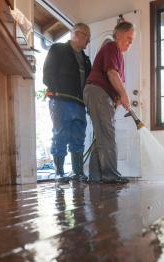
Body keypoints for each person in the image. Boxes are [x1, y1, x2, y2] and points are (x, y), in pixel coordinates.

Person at [83, 21, 135, 184]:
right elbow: (112, 74)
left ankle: (96, 177)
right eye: (128, 38)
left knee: (101, 136)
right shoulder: (112, 47)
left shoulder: (118, 55)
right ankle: (111, 176)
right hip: (98, 92)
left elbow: (116, 82)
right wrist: (124, 95)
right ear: (118, 34)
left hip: (101, 94)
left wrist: (118, 99)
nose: (130, 43)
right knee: (107, 134)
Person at [43, 23, 91, 184]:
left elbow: (89, 83)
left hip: (79, 104)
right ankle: (59, 173)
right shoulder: (57, 49)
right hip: (60, 101)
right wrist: (54, 90)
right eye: (87, 37)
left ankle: (77, 172)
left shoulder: (86, 60)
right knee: (60, 135)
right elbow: (48, 73)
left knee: (78, 137)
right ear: (77, 34)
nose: (89, 41)